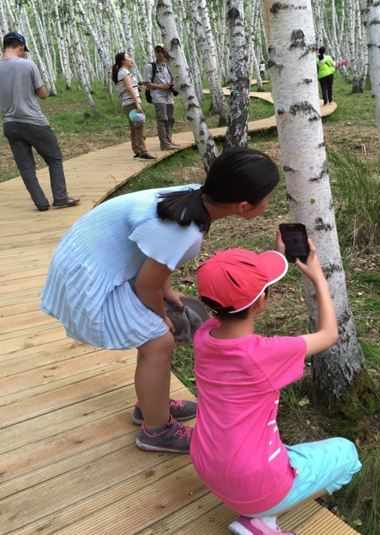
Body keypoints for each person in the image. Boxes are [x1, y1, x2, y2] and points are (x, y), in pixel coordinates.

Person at [40, 147, 280, 454]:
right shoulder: (183, 230)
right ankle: (156, 431)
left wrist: (165, 291)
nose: (269, 202)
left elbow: (155, 253)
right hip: (86, 275)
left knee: (156, 336)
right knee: (159, 342)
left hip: (89, 256)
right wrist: (161, 317)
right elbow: (145, 285)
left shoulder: (192, 195)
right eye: (268, 198)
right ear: (245, 206)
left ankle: (152, 404)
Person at [190, 242, 362, 535]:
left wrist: (271, 262)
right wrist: (318, 277)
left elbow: (231, 304)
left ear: (209, 305)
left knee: (283, 451)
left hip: (206, 464)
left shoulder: (204, 336)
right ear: (261, 302)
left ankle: (261, 512)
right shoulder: (264, 354)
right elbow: (329, 334)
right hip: (257, 484)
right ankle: (262, 519)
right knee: (348, 455)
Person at [0, 32, 79, 212]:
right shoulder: (27, 65)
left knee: (26, 167)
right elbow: (43, 95)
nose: (24, 53)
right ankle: (60, 197)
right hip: (33, 122)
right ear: (20, 46)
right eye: (24, 50)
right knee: (54, 158)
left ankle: (41, 203)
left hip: (10, 124)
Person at [112, 52, 156, 161]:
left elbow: (130, 87)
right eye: (128, 57)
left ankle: (137, 152)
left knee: (134, 128)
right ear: (123, 61)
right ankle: (143, 153)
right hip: (131, 104)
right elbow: (129, 88)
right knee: (139, 127)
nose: (131, 59)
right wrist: (137, 103)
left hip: (127, 103)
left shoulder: (121, 73)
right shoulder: (124, 72)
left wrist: (137, 88)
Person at [143, 44, 180, 152]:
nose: (160, 53)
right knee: (162, 119)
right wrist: (161, 86)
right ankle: (164, 144)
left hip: (169, 96)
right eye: (158, 51)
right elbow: (146, 82)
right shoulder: (151, 66)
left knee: (171, 118)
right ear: (155, 53)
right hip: (158, 96)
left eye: (162, 51)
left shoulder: (168, 66)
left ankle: (169, 140)